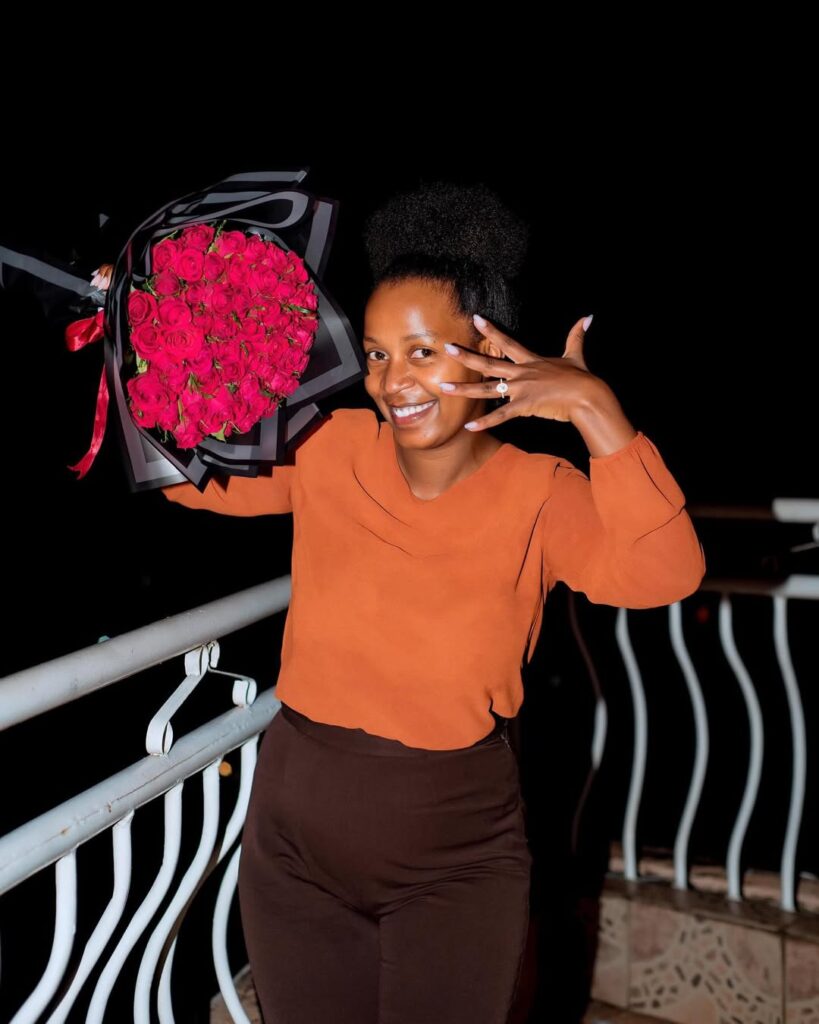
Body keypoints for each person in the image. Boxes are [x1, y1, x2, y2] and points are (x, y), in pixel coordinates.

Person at [161, 180, 706, 1023]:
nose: (393, 381)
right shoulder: (332, 446)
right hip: (294, 836)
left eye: (422, 352)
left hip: (455, 853)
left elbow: (663, 573)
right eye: (377, 355)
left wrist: (596, 411)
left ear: (491, 353)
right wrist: (151, 333)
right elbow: (188, 479)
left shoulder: (541, 491)